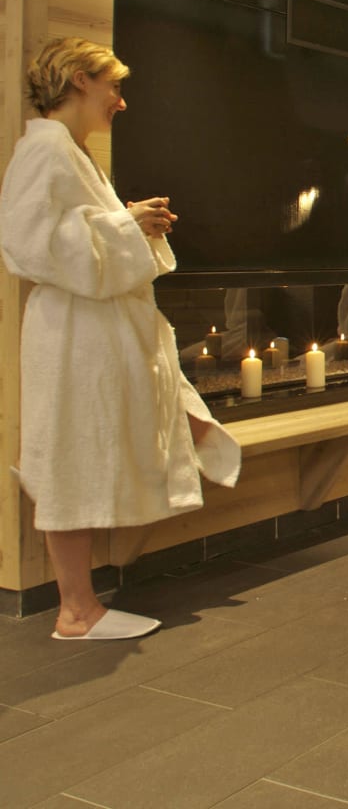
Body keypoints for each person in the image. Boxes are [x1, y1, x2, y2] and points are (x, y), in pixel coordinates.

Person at [0, 37, 241, 640]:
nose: (122, 101)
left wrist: (131, 221)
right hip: (73, 334)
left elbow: (78, 233)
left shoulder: (72, 152)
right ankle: (75, 611)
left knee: (84, 453)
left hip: (97, 331)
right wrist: (126, 222)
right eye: (115, 86)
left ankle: (81, 607)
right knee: (69, 458)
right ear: (80, 80)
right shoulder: (45, 148)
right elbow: (26, 245)